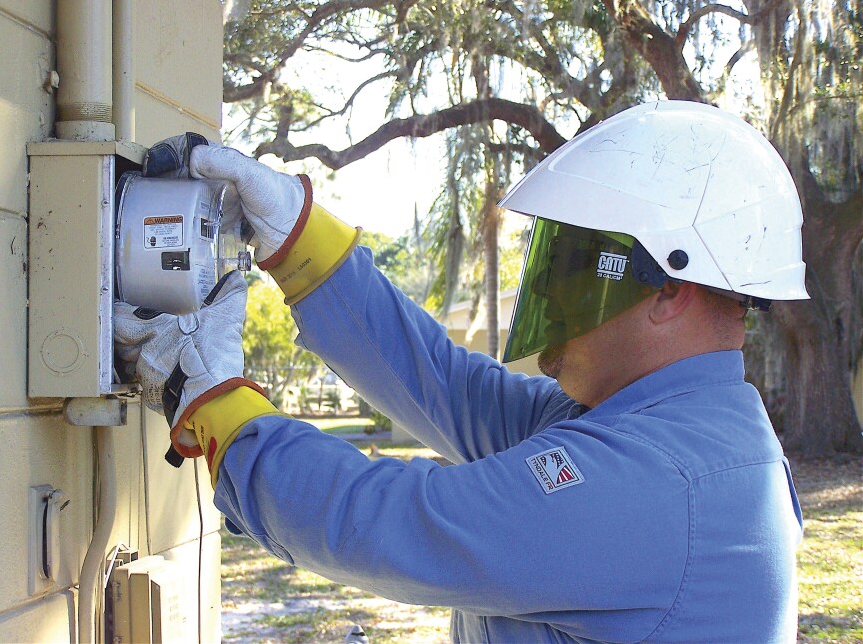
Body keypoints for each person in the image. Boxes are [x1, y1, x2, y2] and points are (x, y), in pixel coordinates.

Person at [115, 101, 807, 643]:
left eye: (575, 267)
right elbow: (448, 385)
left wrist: (219, 409)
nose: (546, 294)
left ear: (667, 289)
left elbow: (404, 523)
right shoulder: (659, 423)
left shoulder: (660, 481)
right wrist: (300, 239)